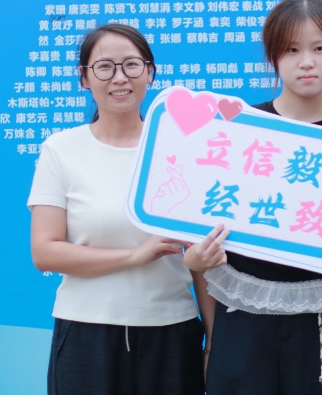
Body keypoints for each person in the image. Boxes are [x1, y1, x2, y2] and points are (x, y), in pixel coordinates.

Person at [184, 0, 322, 395]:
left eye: (319, 48)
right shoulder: (241, 128)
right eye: (292, 50)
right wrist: (195, 257)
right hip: (244, 320)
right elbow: (204, 228)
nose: (307, 62)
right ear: (273, 57)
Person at [29, 23, 210, 395]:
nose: (119, 77)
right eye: (104, 67)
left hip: (172, 332)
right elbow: (45, 252)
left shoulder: (181, 148)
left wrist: (215, 339)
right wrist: (134, 256)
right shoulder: (61, 150)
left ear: (149, 72)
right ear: (84, 78)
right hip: (86, 334)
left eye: (131, 64)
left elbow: (202, 257)